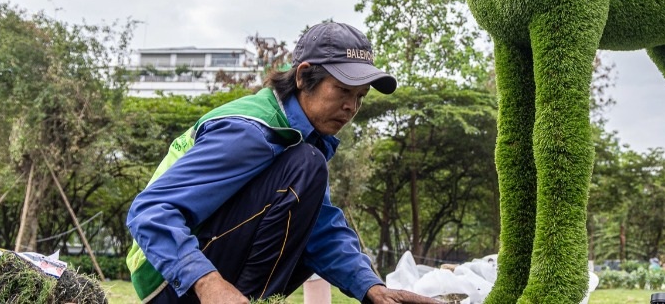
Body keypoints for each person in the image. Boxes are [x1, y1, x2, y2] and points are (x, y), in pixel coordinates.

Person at [127, 22, 439, 304]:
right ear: (303, 76)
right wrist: (208, 283)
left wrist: (372, 288)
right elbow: (149, 211)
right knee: (307, 164)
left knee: (309, 183)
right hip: (166, 278)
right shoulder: (252, 131)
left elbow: (322, 230)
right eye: (343, 90)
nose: (351, 107)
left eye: (361, 96)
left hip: (196, 269)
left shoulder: (303, 140)